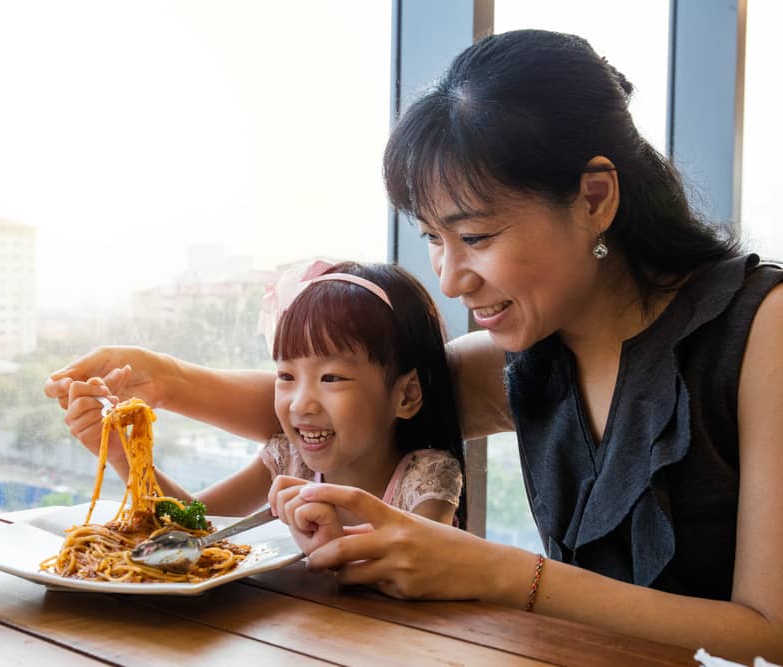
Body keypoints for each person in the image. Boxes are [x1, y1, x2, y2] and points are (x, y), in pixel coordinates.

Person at [46, 30, 782, 662]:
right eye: (434, 238)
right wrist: (162, 381)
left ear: (594, 198)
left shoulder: (761, 330)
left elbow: (770, 636)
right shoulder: (537, 349)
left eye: (477, 236)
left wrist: (495, 572)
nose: (452, 277)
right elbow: (340, 399)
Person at [56, 261, 464, 527]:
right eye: (286, 375)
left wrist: (331, 539)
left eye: (332, 378)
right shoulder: (288, 461)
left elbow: (420, 573)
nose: (301, 402)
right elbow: (193, 524)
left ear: (406, 395)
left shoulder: (426, 477)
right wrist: (122, 456)